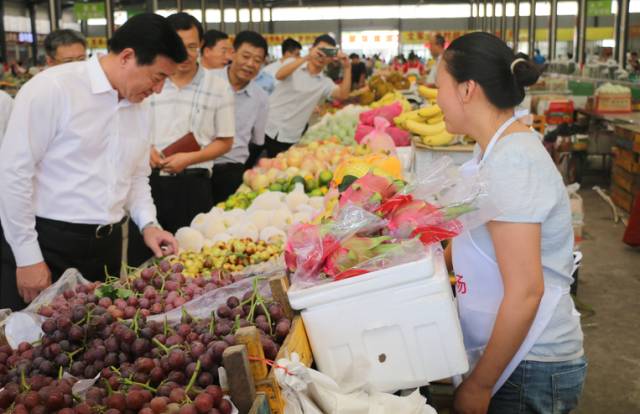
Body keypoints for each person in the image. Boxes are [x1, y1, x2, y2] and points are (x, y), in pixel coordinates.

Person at [436, 32, 585, 413]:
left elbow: (526, 291)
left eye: (440, 87)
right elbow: (475, 230)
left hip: (531, 364)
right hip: (514, 354)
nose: (436, 100)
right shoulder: (491, 149)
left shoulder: (512, 162)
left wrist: (479, 385)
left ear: (467, 89)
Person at [0, 13, 185, 311]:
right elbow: (13, 175)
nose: (159, 89)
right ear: (127, 56)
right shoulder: (53, 89)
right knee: (34, 346)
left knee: (97, 348)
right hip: (49, 245)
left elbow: (137, 177)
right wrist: (27, 256)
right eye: (158, 77)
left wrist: (149, 224)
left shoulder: (139, 108)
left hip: (106, 251)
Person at [127, 12, 235, 266]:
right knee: (143, 263)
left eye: (192, 46)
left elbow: (225, 141)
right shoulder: (150, 81)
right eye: (178, 46)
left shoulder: (218, 87)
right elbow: (129, 128)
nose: (185, 54)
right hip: (148, 185)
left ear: (201, 46)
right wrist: (147, 149)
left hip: (193, 187)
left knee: (194, 261)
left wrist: (190, 158)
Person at [263, 34, 351, 157]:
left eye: (328, 53)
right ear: (311, 49)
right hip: (267, 125)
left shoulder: (325, 82)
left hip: (290, 136)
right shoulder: (293, 63)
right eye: (320, 50)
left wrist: (347, 67)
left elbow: (343, 95)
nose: (322, 56)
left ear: (331, 59)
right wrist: (307, 57)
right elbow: (280, 75)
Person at [210, 31, 269, 203]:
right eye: (246, 56)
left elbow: (258, 141)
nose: (250, 64)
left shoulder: (261, 97)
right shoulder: (208, 81)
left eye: (257, 60)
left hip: (232, 170)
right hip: (197, 167)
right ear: (232, 54)